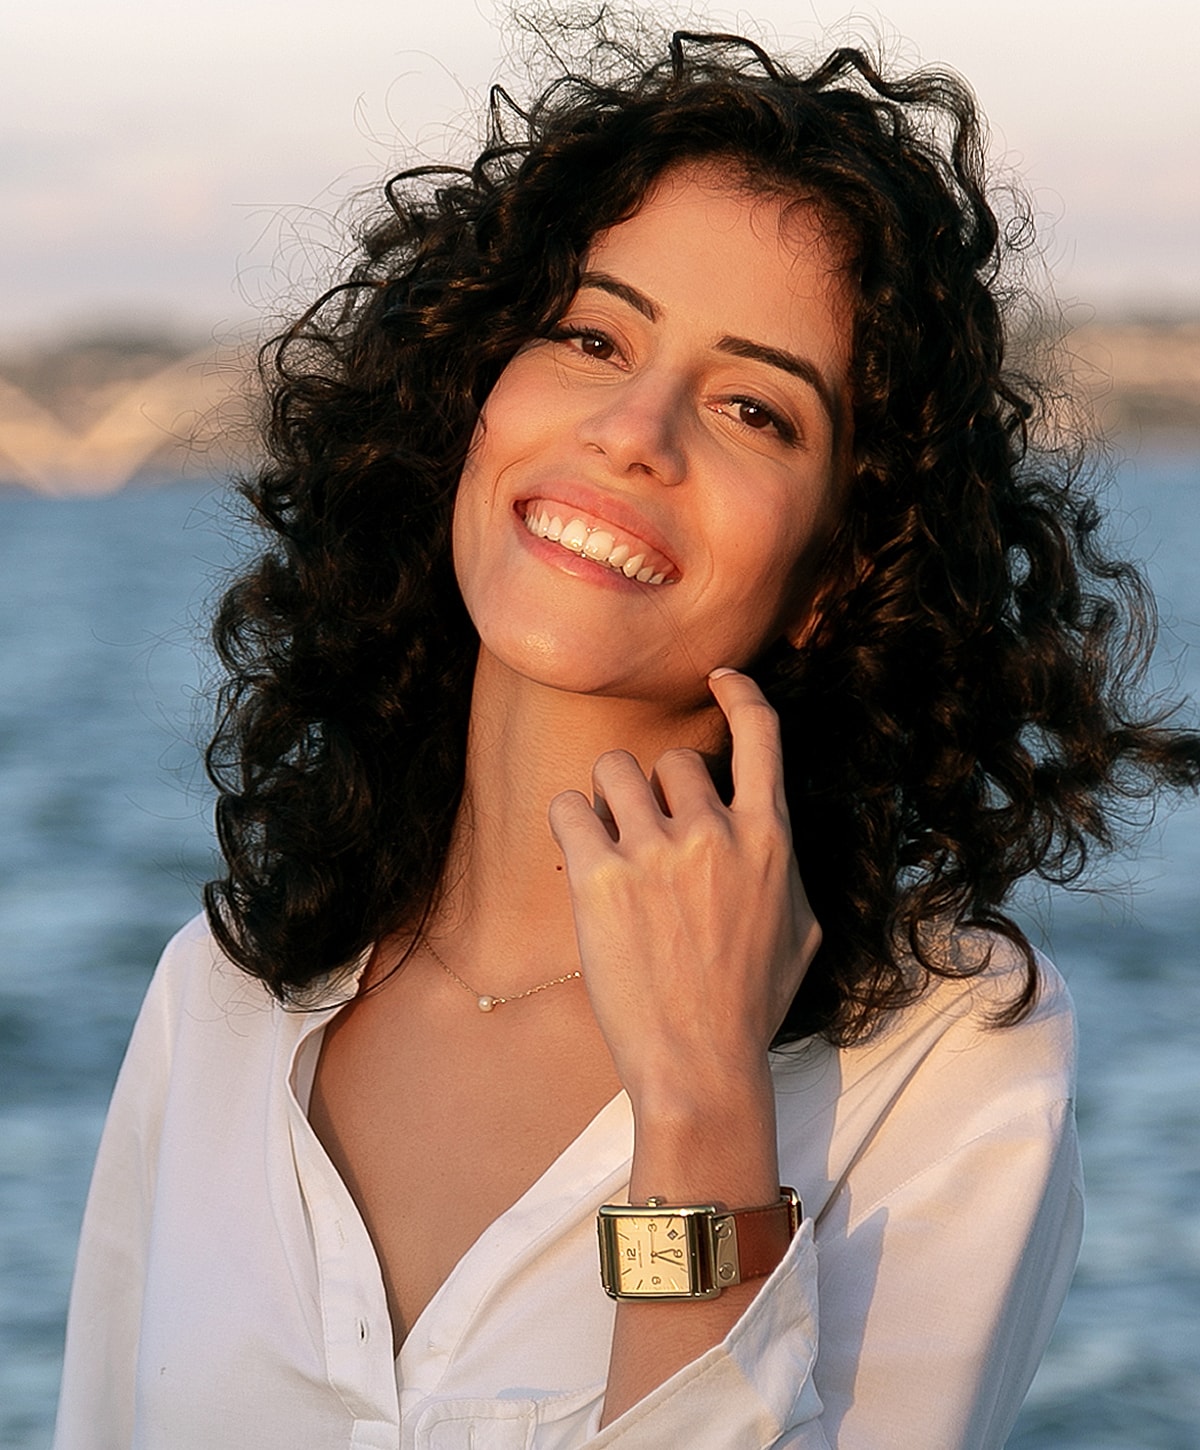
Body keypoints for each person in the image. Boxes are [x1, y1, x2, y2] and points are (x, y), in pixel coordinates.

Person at [53, 22, 1199, 1450]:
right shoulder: (224, 998)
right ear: (470, 395)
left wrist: (707, 1104)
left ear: (846, 559)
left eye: (753, 407)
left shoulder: (948, 1056)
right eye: (591, 335)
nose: (634, 429)